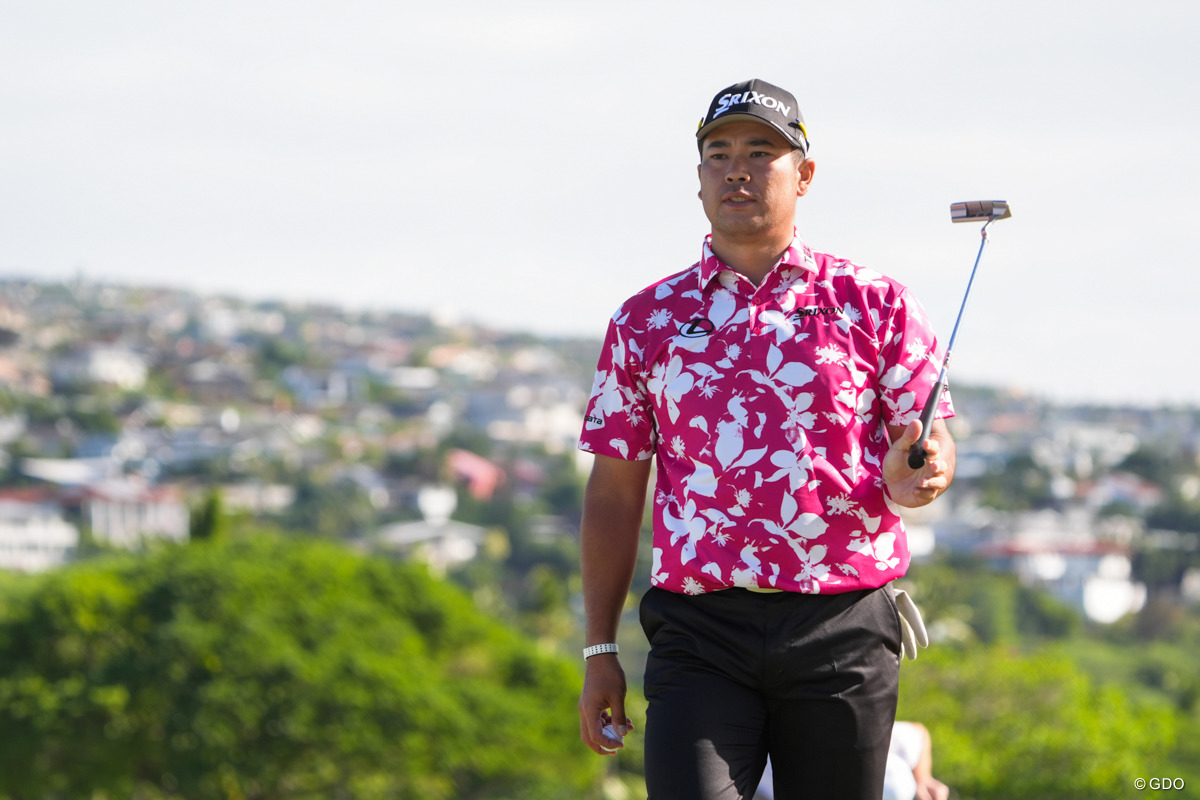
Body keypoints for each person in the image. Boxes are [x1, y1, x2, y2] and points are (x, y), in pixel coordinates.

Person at [576, 78, 956, 800]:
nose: (737, 170)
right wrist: (600, 649)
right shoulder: (645, 319)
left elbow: (928, 442)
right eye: (717, 155)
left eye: (761, 152)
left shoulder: (873, 303)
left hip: (842, 627)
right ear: (698, 181)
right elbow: (614, 492)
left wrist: (926, 472)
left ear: (804, 175)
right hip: (700, 635)